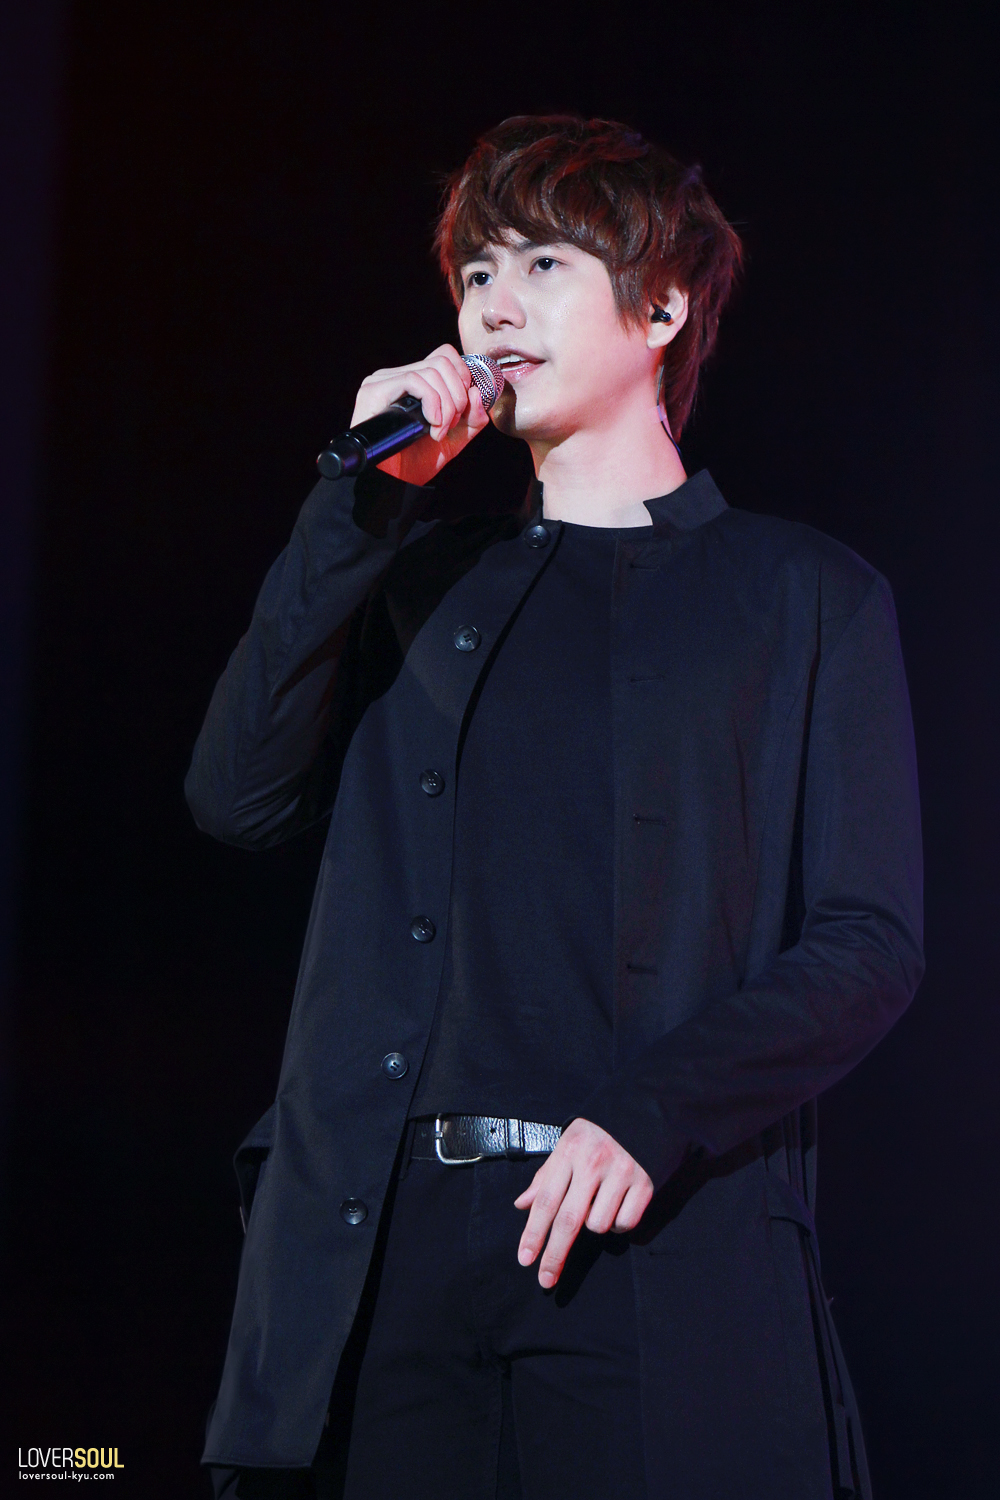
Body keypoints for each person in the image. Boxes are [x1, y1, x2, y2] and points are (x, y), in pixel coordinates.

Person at [186, 115, 923, 1500]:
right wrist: (358, 513)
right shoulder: (421, 579)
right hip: (391, 1245)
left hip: (654, 1235)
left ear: (663, 308)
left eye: (541, 264)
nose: (493, 306)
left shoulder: (804, 599)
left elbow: (868, 940)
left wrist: (655, 1110)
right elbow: (237, 797)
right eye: (475, 273)